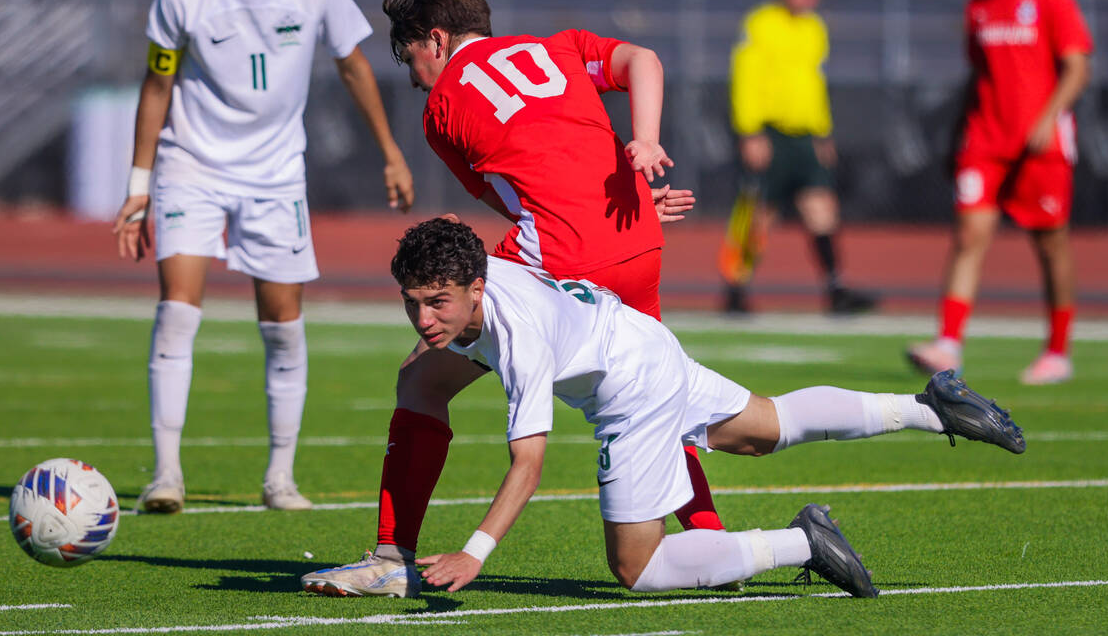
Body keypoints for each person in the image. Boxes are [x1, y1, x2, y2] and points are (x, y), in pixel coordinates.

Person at [302, 218, 1025, 598]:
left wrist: (476, 551)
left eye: (439, 302)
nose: (425, 317)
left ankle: (802, 542)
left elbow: (529, 460)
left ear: (476, 288)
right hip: (640, 337)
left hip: (630, 387)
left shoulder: (513, 334)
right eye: (413, 303)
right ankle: (931, 407)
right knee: (764, 427)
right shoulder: (491, 275)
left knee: (636, 569)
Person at [300, 0, 723, 598]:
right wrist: (644, 146)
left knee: (419, 379)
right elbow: (643, 61)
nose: (413, 74)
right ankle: (712, 538)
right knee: (658, 392)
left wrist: (577, 222)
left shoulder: (441, 109)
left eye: (410, 54)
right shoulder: (559, 48)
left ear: (437, 40)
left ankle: (393, 556)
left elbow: (513, 194)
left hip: (563, 252)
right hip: (636, 237)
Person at [111, 0, 414, 513]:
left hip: (276, 175)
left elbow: (355, 65)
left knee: (282, 323)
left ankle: (280, 479)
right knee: (177, 310)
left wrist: (391, 151)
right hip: (190, 165)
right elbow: (157, 84)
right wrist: (139, 184)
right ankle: (166, 477)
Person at [907, 0, 1092, 385]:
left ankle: (1058, 350)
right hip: (985, 139)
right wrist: (957, 134)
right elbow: (979, 75)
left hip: (1040, 143)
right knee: (969, 236)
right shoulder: (980, 3)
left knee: (1051, 243)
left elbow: (1077, 66)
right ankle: (948, 344)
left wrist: (1048, 117)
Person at [719, 0, 876, 315]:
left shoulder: (814, 28)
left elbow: (813, 84)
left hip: (805, 135)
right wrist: (750, 131)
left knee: (822, 208)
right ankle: (735, 288)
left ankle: (836, 288)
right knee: (759, 213)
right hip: (769, 133)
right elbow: (745, 76)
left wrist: (822, 133)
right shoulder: (761, 23)